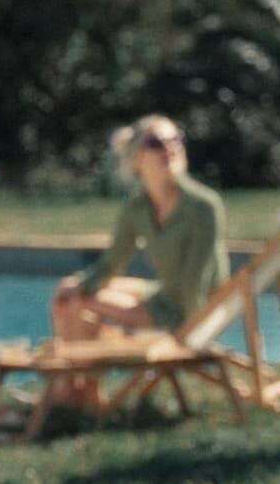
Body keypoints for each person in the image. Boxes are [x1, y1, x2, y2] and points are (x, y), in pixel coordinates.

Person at [51, 114, 228, 399]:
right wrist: (82, 287)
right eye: (157, 143)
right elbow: (111, 264)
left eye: (175, 140)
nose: (170, 148)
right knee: (68, 289)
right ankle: (80, 390)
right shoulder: (137, 208)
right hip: (163, 293)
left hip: (194, 309)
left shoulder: (204, 206)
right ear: (136, 158)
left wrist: (181, 335)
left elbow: (193, 285)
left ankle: (74, 393)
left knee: (79, 300)